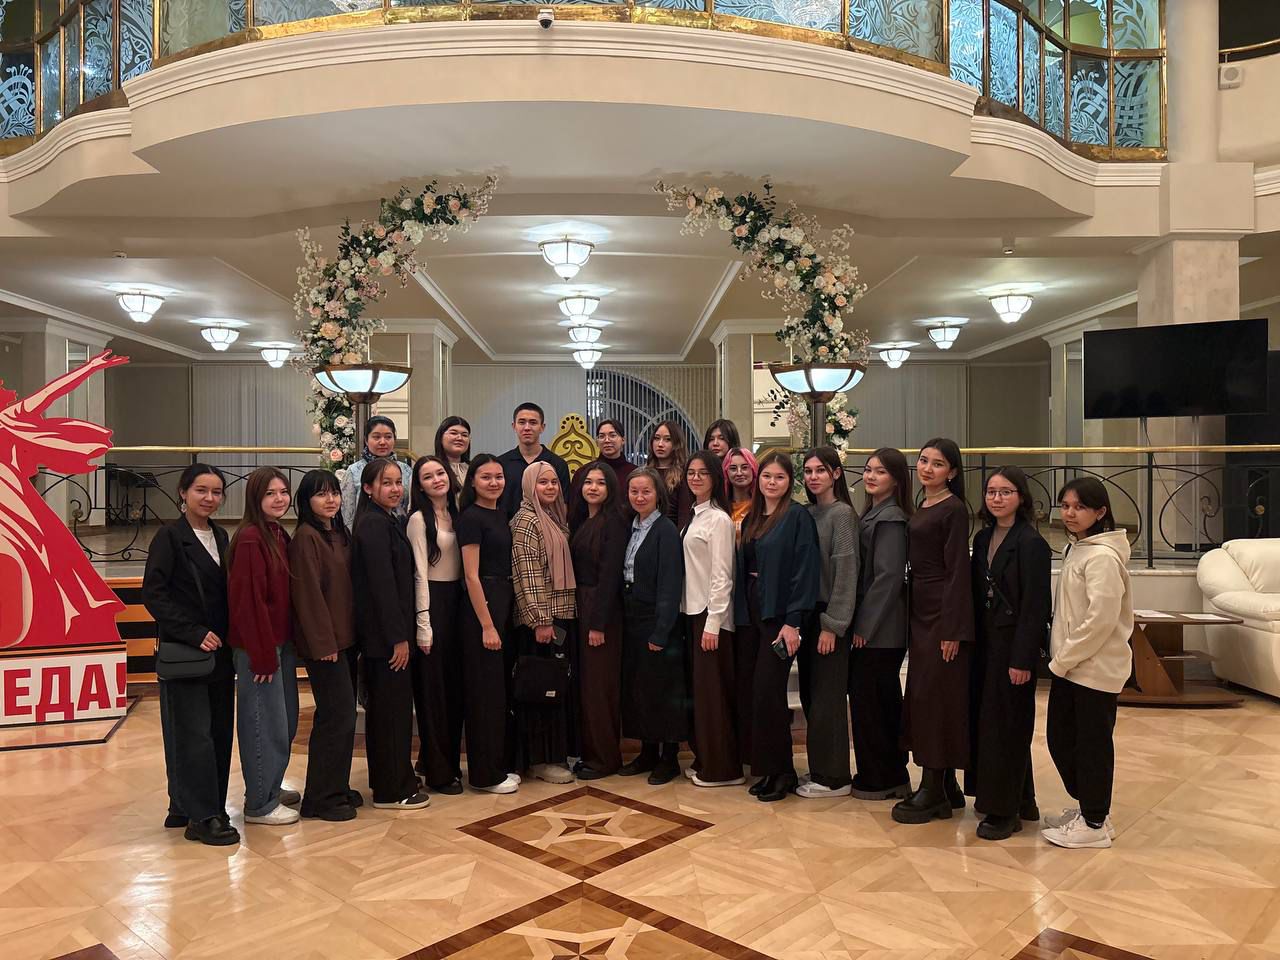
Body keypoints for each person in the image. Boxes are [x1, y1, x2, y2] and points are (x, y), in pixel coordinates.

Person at [143, 463, 238, 846]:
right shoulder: (169, 537)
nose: (209, 498)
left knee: (219, 732)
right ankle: (203, 817)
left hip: (220, 653)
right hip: (188, 649)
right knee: (194, 734)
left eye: (216, 492)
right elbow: (154, 594)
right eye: (201, 490)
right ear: (183, 492)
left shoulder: (221, 535)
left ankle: (190, 804)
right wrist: (194, 633)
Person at [1041, 478, 1133, 850]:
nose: (1070, 513)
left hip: (1093, 668)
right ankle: (1092, 809)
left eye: (1079, 507)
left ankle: (1094, 822)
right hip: (1073, 665)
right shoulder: (1077, 549)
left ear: (1100, 511)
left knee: (1091, 745)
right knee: (1062, 739)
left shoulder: (1102, 557)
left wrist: (1063, 659)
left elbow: (1100, 620)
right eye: (1065, 506)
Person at [893, 438, 974, 825]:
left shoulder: (953, 509)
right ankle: (946, 784)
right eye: (924, 461)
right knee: (923, 695)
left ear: (952, 472)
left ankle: (932, 787)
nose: (927, 468)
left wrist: (952, 628)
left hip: (942, 611)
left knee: (935, 698)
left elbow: (958, 570)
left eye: (937, 464)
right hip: (921, 607)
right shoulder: (924, 504)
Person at [969, 467, 1051, 841]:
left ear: (1021, 497)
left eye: (1005, 492)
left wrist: (1022, 658)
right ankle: (1024, 800)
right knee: (993, 723)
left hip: (1013, 645)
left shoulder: (1031, 543)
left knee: (1008, 726)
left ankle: (1004, 812)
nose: (997, 498)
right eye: (991, 491)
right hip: (987, 643)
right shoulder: (983, 537)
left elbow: (1035, 606)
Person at [735, 452, 820, 803]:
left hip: (779, 615)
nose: (772, 482)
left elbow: (805, 569)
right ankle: (768, 768)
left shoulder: (797, 517)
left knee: (769, 692)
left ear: (790, 482)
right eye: (767, 476)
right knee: (757, 694)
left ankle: (784, 771)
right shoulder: (753, 516)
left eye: (779, 477)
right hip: (752, 612)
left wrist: (793, 621)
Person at [350, 458, 431, 810]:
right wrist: (398, 638)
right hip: (385, 639)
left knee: (393, 710)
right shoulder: (372, 525)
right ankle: (392, 790)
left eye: (398, 482)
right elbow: (382, 587)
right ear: (368, 488)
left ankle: (395, 778)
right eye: (387, 483)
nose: (395, 489)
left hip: (391, 634)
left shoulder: (387, 519)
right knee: (390, 714)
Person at [227, 467, 300, 827]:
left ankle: (270, 786)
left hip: (279, 644)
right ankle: (259, 802)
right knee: (262, 723)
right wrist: (261, 654)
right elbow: (248, 601)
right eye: (270, 493)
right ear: (255, 498)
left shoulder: (277, 533)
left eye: (283, 492)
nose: (279, 499)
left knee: (283, 721)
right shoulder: (250, 538)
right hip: (260, 647)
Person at [288, 469, 360, 822]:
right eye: (321, 494)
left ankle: (336, 786)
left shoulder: (339, 532)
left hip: (346, 639)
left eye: (334, 492)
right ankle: (320, 798)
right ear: (306, 500)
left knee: (342, 717)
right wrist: (323, 642)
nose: (330, 499)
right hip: (325, 644)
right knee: (337, 716)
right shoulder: (306, 538)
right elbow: (308, 595)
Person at [848, 449, 912, 801]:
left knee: (876, 703)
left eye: (880, 472)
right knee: (871, 701)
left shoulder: (891, 519)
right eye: (868, 470)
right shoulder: (873, 513)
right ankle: (879, 772)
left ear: (897, 480)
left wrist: (864, 626)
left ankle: (885, 776)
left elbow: (888, 577)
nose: (871, 476)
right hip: (873, 629)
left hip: (881, 631)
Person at [618, 468, 688, 784]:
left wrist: (662, 630)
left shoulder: (665, 530)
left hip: (657, 620)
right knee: (641, 689)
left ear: (658, 493)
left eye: (646, 491)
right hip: (632, 616)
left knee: (662, 689)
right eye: (634, 491)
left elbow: (670, 584)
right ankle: (647, 752)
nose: (639, 497)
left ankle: (668, 758)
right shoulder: (630, 527)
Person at [797, 446, 859, 799]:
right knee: (811, 695)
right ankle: (820, 768)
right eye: (808, 471)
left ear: (836, 473)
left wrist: (832, 625)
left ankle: (835, 777)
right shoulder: (808, 513)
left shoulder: (842, 515)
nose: (813, 476)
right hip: (808, 615)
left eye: (820, 470)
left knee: (828, 700)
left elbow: (846, 572)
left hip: (829, 617)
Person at [457, 454, 520, 794]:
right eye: (486, 477)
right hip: (483, 606)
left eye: (498, 476)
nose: (494, 482)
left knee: (498, 693)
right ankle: (485, 775)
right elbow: (471, 575)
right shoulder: (471, 517)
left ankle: (498, 765)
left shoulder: (501, 513)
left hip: (503, 600)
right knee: (484, 694)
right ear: (473, 481)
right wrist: (487, 624)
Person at [511, 461, 577, 784]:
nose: (550, 487)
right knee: (540, 690)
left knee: (554, 688)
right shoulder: (527, 521)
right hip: (541, 623)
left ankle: (553, 754)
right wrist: (540, 621)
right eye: (542, 482)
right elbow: (527, 575)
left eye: (553, 482)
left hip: (559, 617)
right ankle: (540, 759)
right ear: (529, 487)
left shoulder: (553, 516)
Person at [680, 450, 741, 788]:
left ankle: (723, 769)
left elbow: (722, 574)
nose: (695, 478)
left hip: (710, 615)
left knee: (713, 695)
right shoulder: (695, 514)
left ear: (716, 477)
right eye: (691, 472)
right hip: (693, 611)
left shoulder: (718, 518)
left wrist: (713, 621)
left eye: (703, 473)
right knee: (701, 695)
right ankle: (706, 758)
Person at [407, 455, 465, 796]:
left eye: (440, 473)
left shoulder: (457, 512)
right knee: (434, 694)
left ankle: (437, 761)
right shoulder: (418, 520)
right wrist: (423, 624)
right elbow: (419, 574)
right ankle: (440, 773)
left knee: (454, 691)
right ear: (420, 485)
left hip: (458, 602)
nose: (437, 479)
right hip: (433, 604)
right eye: (428, 477)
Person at [569, 460, 628, 779]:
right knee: (586, 686)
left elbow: (610, 577)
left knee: (600, 688)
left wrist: (598, 624)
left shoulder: (614, 522)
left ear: (611, 488)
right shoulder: (581, 520)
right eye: (588, 482)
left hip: (601, 613)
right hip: (582, 605)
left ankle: (606, 758)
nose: (593, 487)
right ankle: (590, 753)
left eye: (600, 482)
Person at [498, 402, 571, 518]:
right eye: (522, 422)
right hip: (506, 527)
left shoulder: (557, 464)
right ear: (514, 426)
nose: (527, 428)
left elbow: (563, 505)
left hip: (546, 527)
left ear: (542, 427)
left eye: (533, 422)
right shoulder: (501, 463)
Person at [339, 415, 413, 529]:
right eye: (376, 437)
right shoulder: (354, 471)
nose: (382, 442)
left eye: (388, 437)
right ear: (366, 440)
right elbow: (347, 513)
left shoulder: (406, 470)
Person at [568, 419, 635, 525]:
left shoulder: (633, 473)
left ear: (623, 440)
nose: (607, 440)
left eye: (612, 435)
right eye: (602, 436)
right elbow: (574, 511)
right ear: (597, 441)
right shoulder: (584, 473)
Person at [648, 420, 693, 529]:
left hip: (671, 532)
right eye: (657, 438)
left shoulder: (684, 475)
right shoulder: (645, 473)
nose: (660, 444)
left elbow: (684, 516)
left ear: (677, 444)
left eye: (667, 439)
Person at [723, 447, 758, 531]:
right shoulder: (719, 506)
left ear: (753, 469)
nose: (739, 473)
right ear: (726, 472)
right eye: (733, 468)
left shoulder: (762, 505)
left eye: (745, 467)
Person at [435, 416, 472, 488]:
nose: (460, 438)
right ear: (440, 437)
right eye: (453, 433)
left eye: (464, 435)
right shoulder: (431, 468)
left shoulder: (475, 469)